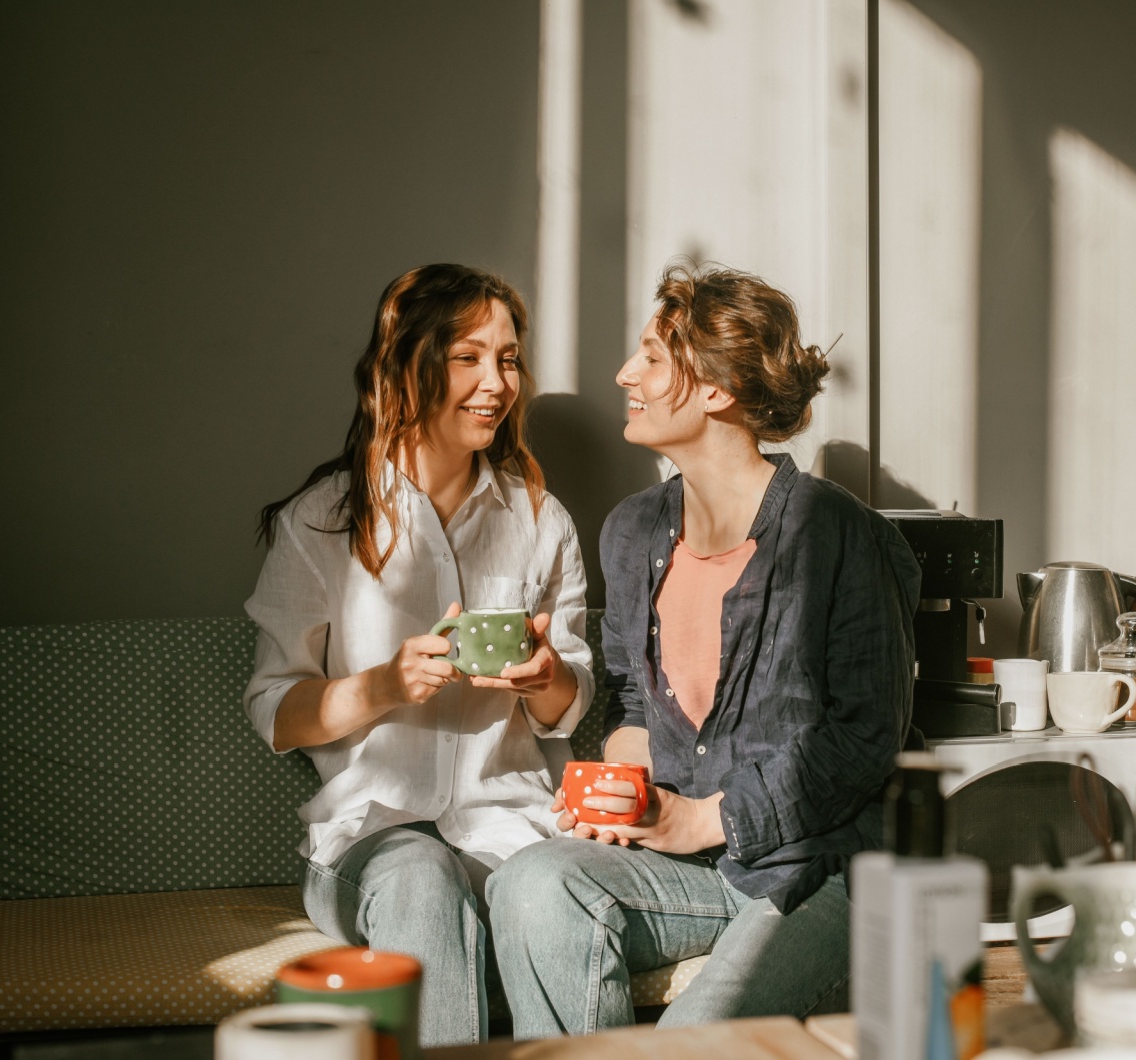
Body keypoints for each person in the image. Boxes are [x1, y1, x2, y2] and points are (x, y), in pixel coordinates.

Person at [487, 262, 922, 1035]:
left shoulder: (842, 536)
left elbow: (862, 741)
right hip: (686, 869)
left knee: (687, 1046)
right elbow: (630, 704)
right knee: (531, 883)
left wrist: (701, 821)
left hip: (816, 866)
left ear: (717, 388)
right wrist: (618, 791)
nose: (626, 374)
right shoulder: (632, 531)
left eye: (652, 357)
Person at [243, 264, 593, 1046]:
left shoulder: (540, 519)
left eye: (508, 359)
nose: (497, 383)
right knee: (420, 878)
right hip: (371, 837)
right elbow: (276, 708)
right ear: (407, 364)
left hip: (509, 829)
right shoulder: (322, 524)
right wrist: (382, 685)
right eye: (469, 357)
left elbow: (569, 701)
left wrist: (546, 678)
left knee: (553, 891)